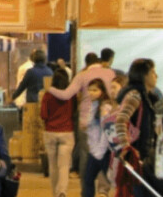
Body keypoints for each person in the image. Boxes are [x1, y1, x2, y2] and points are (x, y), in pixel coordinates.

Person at [44, 52, 115, 187]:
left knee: (85, 154)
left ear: (87, 64)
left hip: (86, 120)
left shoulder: (82, 75)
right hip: (107, 118)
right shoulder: (111, 74)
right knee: (105, 153)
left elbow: (66, 95)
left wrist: (50, 89)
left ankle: (85, 190)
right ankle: (104, 187)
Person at [114, 58, 159, 197]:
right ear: (143, 75)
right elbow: (120, 120)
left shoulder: (146, 96)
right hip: (136, 158)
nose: (156, 76)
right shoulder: (135, 95)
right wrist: (126, 147)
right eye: (152, 72)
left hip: (141, 159)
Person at [41, 68, 75, 197]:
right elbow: (74, 112)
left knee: (53, 165)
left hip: (50, 132)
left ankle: (54, 194)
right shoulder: (71, 95)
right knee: (64, 165)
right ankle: (62, 193)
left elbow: (43, 115)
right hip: (67, 132)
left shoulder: (47, 95)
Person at [81, 78, 115, 197]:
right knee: (88, 180)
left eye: (95, 90)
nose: (91, 93)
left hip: (104, 152)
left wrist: (100, 152)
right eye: (89, 90)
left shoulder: (105, 107)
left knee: (114, 181)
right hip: (94, 150)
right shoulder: (93, 105)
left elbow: (105, 130)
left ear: (102, 91)